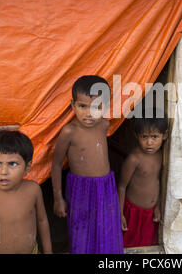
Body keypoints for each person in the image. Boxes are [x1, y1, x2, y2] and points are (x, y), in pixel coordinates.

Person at [51, 75, 123, 254]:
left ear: (105, 107)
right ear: (73, 105)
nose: (89, 113)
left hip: (106, 187)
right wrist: (58, 198)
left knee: (106, 231)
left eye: (96, 107)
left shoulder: (104, 125)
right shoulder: (69, 132)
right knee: (81, 232)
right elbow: (56, 165)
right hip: (81, 189)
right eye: (82, 106)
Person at [0, 130, 52, 254]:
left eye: (12, 164)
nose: (3, 171)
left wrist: (48, 251)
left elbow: (42, 221)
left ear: (27, 167)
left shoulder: (33, 190)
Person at [118, 110, 168, 247]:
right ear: (136, 135)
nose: (149, 142)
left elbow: (159, 183)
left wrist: (158, 206)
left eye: (154, 137)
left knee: (148, 245)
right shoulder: (134, 159)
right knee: (129, 245)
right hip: (132, 213)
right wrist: (120, 213)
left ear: (165, 135)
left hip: (151, 214)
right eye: (144, 136)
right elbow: (122, 186)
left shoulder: (162, 156)